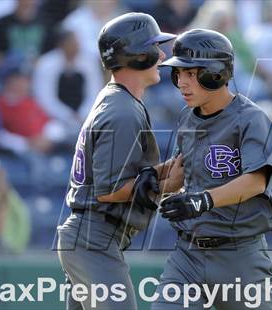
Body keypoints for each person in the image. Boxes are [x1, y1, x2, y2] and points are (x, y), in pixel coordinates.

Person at [56, 13, 182, 310]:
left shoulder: (117, 100)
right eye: (154, 47)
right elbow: (109, 190)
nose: (162, 55)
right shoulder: (123, 110)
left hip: (89, 236)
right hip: (94, 238)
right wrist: (167, 184)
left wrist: (170, 169)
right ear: (137, 54)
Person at [150, 29, 272, 310]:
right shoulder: (188, 116)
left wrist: (202, 200)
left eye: (191, 73)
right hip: (188, 254)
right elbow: (181, 169)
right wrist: (151, 178)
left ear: (216, 73)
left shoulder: (251, 119)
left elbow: (256, 181)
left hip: (239, 255)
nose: (181, 82)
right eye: (178, 74)